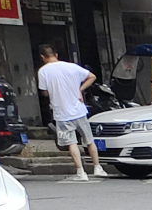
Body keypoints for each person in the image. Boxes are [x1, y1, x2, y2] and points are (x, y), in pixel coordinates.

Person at [35, 45, 104, 181]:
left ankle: (81, 173)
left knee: (71, 143)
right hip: (79, 110)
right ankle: (97, 167)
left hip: (62, 114)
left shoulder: (43, 71)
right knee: (89, 140)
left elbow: (45, 91)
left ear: (43, 57)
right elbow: (92, 76)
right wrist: (80, 89)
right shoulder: (72, 67)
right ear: (56, 54)